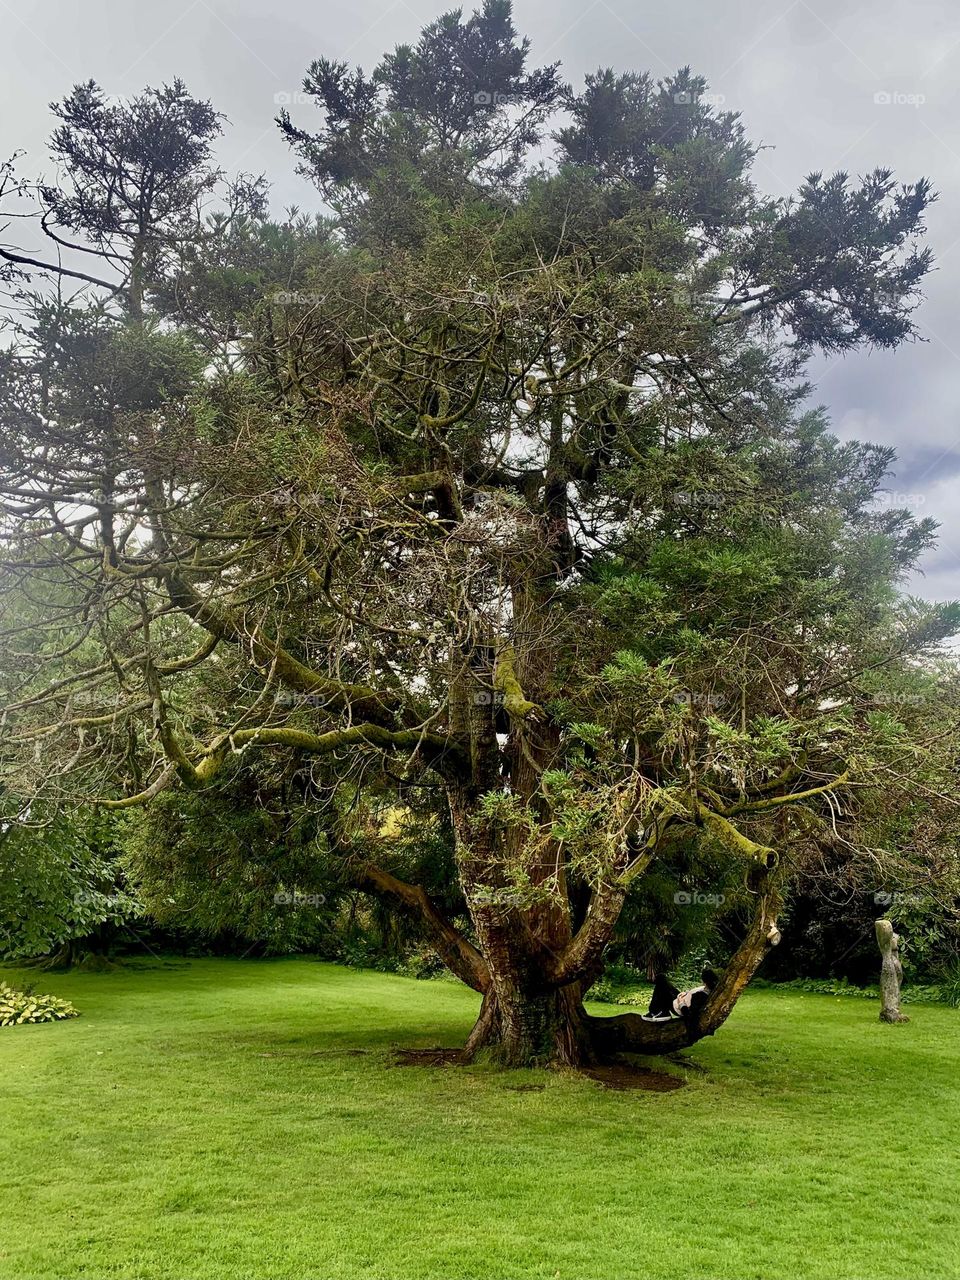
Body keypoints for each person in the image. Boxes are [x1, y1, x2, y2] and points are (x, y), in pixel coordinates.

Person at [641, 967, 720, 1022]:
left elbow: (690, 1014)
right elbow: (692, 994)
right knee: (661, 978)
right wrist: (685, 993)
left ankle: (657, 1012)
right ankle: (655, 1011)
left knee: (661, 983)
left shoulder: (702, 995)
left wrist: (681, 1002)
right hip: (681, 998)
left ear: (704, 981)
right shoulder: (706, 988)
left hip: (677, 1006)